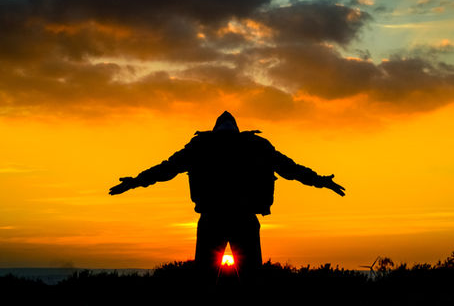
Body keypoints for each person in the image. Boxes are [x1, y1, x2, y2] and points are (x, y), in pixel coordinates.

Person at [109, 111, 345, 285]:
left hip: (212, 219)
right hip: (245, 219)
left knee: (205, 280)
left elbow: (165, 170)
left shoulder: (201, 146)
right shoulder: (256, 146)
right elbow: (292, 169)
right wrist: (322, 181)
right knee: (252, 280)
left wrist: (134, 182)